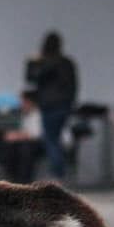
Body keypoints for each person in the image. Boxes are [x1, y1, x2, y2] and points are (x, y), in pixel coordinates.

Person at [25, 31, 78, 181]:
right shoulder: (67, 63)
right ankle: (59, 172)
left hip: (49, 105)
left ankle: (57, 174)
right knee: (56, 138)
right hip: (64, 105)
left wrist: (32, 62)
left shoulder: (44, 62)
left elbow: (30, 78)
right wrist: (71, 104)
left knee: (51, 139)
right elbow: (74, 85)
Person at [0, 91, 43, 183]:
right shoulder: (22, 114)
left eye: (22, 102)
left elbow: (35, 135)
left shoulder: (37, 115)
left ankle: (22, 180)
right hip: (21, 142)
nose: (20, 104)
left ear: (29, 102)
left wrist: (16, 136)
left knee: (23, 148)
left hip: (35, 145)